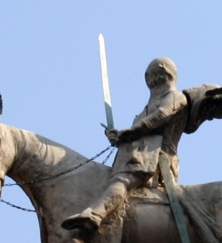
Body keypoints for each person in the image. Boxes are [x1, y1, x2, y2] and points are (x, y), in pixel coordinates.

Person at [62, 57, 187, 232]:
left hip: (157, 159)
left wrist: (128, 132)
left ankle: (95, 215)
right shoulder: (147, 107)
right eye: (149, 77)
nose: (152, 81)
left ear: (166, 74)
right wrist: (118, 137)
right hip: (137, 156)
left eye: (156, 75)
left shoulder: (175, 97)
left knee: (121, 182)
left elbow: (161, 116)